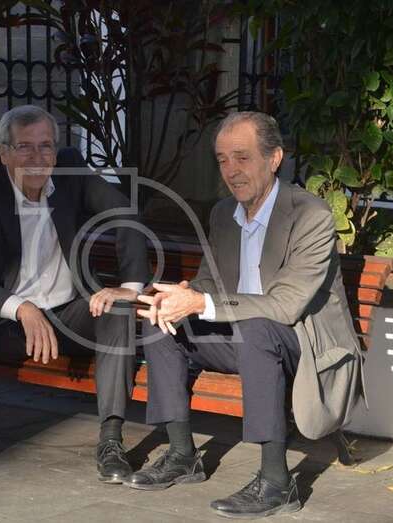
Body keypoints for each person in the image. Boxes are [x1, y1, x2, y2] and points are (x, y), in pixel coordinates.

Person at [128, 111, 363, 519]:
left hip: (300, 343)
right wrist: (184, 296)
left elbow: (286, 305)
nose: (231, 171)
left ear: (274, 159)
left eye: (242, 157)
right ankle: (182, 454)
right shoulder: (223, 215)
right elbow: (209, 283)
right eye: (222, 160)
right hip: (246, 338)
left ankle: (276, 481)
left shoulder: (310, 215)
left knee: (257, 329)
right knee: (163, 323)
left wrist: (204, 304)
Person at [0, 105, 148, 487]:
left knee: (118, 309)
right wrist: (21, 308)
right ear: (3, 153)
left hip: (68, 317)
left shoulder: (70, 173)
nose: (37, 158)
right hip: (9, 327)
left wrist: (130, 286)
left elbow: (125, 211)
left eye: (46, 147)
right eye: (25, 148)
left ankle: (110, 441)